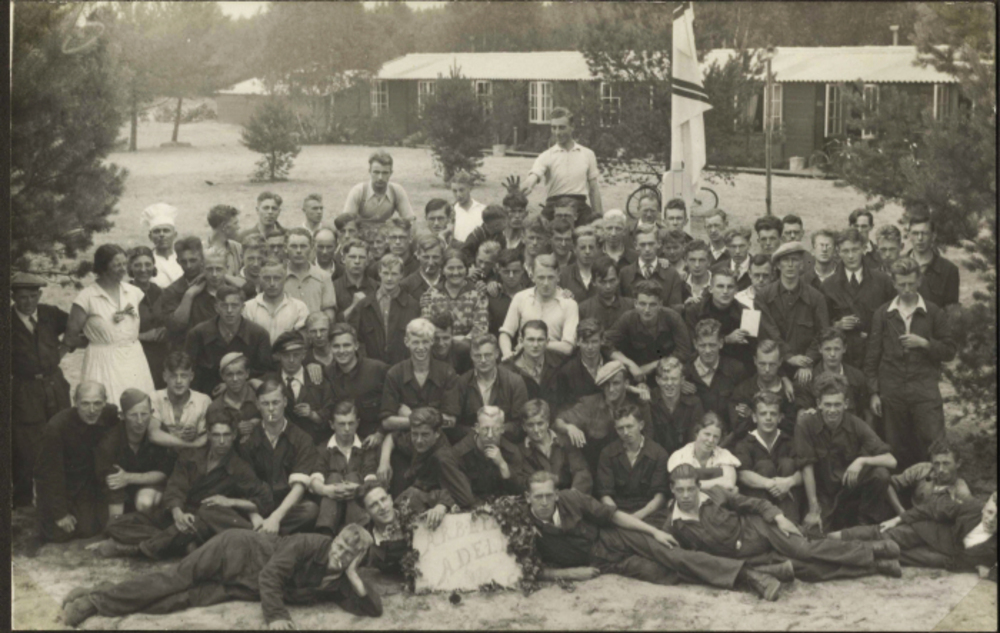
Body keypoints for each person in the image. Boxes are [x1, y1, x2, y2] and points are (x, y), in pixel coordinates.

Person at [61, 525, 381, 628]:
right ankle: (94, 602)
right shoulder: (309, 543)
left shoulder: (342, 579)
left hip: (241, 586)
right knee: (175, 580)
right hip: (233, 550)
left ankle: (101, 590)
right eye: (338, 545)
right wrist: (276, 617)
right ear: (334, 539)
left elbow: (373, 609)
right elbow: (271, 577)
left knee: (178, 601)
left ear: (356, 558)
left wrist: (353, 575)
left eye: (347, 554)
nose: (337, 554)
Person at [526, 471, 782, 600]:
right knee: (662, 574)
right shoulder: (521, 526)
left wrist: (654, 532)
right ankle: (763, 569)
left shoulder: (571, 498)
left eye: (549, 495)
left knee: (674, 556)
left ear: (556, 494)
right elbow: (525, 570)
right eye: (538, 497)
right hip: (603, 562)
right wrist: (569, 573)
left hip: (616, 536)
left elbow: (613, 516)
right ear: (528, 498)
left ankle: (752, 577)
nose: (545, 502)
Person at [664, 464, 902, 583]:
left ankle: (873, 549)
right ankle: (876, 566)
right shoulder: (674, 525)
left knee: (805, 550)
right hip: (748, 556)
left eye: (690, 489)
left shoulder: (715, 494)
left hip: (761, 529)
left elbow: (755, 504)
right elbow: (685, 558)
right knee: (806, 570)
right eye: (680, 490)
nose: (686, 495)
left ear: (698, 487)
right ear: (672, 490)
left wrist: (779, 517)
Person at [99, 407, 274, 560]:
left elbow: (265, 500)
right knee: (115, 524)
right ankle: (180, 543)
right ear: (208, 435)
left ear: (234, 435)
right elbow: (176, 487)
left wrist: (230, 502)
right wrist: (177, 512)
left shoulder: (239, 467)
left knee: (203, 516)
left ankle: (137, 549)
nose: (221, 441)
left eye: (226, 435)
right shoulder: (191, 456)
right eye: (216, 435)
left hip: (203, 521)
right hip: (180, 514)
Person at [864, 257, 956, 470]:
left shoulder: (933, 312)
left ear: (919, 281)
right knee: (896, 446)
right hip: (892, 389)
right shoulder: (883, 314)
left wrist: (925, 343)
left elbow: (950, 350)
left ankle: (936, 486)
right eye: (902, 284)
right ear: (894, 283)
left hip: (924, 388)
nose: (907, 289)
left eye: (911, 284)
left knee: (934, 442)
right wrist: (873, 392)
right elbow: (872, 356)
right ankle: (902, 490)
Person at [795, 372, 897, 536]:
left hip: (849, 490)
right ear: (819, 404)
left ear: (846, 404)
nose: (832, 410)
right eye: (828, 404)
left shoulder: (856, 424)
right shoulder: (806, 424)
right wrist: (813, 510)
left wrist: (862, 461)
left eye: (837, 404)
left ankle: (865, 522)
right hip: (823, 493)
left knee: (880, 474)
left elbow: (891, 461)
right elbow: (807, 468)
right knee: (814, 536)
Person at [10, 272, 74, 508]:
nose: (28, 302)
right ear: (13, 297)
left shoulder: (49, 313)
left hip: (55, 386)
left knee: (62, 435)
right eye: (22, 297)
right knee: (26, 446)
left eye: (32, 296)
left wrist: (65, 347)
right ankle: (23, 503)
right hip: (24, 390)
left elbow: (78, 325)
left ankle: (63, 498)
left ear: (39, 295)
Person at [66, 244, 155, 405]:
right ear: (103, 267)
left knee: (137, 405)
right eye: (117, 265)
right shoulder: (87, 297)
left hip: (134, 358)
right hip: (102, 361)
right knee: (107, 405)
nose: (123, 269)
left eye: (124, 264)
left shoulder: (133, 292)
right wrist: (97, 341)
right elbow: (71, 337)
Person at [830, 491, 996, 576]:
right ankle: (830, 538)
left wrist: (988, 571)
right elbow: (933, 508)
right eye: (990, 512)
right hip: (930, 532)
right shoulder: (972, 508)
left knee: (890, 553)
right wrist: (898, 519)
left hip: (945, 557)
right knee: (885, 533)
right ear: (984, 508)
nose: (991, 520)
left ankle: (836, 552)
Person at [35, 381, 118, 543]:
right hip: (65, 485)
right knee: (60, 532)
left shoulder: (110, 414)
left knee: (95, 527)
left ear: (105, 402)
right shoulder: (57, 427)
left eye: (97, 403)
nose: (92, 410)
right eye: (85, 404)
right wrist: (60, 513)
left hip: (91, 484)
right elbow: (48, 474)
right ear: (75, 402)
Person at [236, 378, 321, 534]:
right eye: (265, 404)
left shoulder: (302, 439)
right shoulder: (247, 442)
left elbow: (299, 486)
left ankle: (261, 534)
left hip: (287, 506)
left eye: (275, 403)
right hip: (258, 506)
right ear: (257, 405)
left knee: (310, 510)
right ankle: (267, 532)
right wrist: (254, 516)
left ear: (285, 402)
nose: (271, 409)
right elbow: (245, 486)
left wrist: (276, 518)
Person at [556, 360, 653, 475]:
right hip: (597, 471)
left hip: (630, 470)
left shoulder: (637, 404)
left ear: (626, 383)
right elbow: (558, 421)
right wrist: (569, 427)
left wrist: (643, 403)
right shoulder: (590, 404)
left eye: (616, 383)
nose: (611, 389)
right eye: (607, 384)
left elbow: (648, 438)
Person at [755, 241, 830, 386]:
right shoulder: (763, 296)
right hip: (774, 366)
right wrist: (788, 356)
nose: (790, 265)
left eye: (794, 260)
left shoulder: (816, 297)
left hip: (808, 367)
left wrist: (806, 362)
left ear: (801, 264)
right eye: (785, 260)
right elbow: (768, 332)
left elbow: (823, 333)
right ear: (778, 265)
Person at [95, 389, 176, 522]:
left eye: (144, 414)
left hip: (149, 489)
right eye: (133, 415)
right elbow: (113, 483)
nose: (140, 420)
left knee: (144, 501)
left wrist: (129, 478)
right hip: (119, 494)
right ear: (122, 415)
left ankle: (150, 526)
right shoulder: (110, 442)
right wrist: (115, 523)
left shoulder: (159, 432)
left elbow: (164, 473)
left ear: (151, 413)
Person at [821, 227, 896, 369]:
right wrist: (837, 325)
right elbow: (822, 324)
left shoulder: (882, 281)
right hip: (844, 358)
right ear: (838, 252)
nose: (850, 256)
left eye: (855, 250)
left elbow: (893, 321)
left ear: (863, 249)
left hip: (876, 356)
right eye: (845, 251)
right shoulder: (828, 285)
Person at [376, 407, 477, 509]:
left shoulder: (443, 459)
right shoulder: (420, 440)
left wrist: (437, 502)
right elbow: (392, 437)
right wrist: (384, 462)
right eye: (414, 434)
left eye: (425, 435)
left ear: (437, 433)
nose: (419, 440)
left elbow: (466, 498)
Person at [185, 285, 273, 397]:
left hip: (247, 396)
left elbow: (265, 373)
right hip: (207, 396)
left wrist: (231, 385)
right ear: (216, 307)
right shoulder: (198, 334)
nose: (229, 310)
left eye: (234, 305)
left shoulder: (259, 335)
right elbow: (189, 371)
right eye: (224, 305)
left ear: (242, 307)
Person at [156, 237, 241, 349]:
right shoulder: (172, 290)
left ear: (202, 260)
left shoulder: (218, 281)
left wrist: (223, 276)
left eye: (193, 260)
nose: (189, 266)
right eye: (184, 261)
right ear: (178, 261)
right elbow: (175, 326)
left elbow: (248, 288)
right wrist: (189, 295)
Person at [378, 318, 460, 433]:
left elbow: (450, 421)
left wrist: (412, 416)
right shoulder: (395, 374)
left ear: (432, 342)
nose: (421, 348)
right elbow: (387, 422)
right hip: (404, 438)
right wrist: (433, 420)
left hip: (437, 439)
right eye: (416, 342)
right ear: (407, 342)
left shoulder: (447, 373)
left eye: (425, 342)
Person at [731, 392, 803, 523]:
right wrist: (770, 484)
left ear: (780, 417)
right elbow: (742, 474)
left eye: (773, 414)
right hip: (760, 505)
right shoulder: (745, 443)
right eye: (763, 414)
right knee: (765, 466)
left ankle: (791, 523)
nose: (768, 418)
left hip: (787, 501)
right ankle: (763, 525)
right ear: (754, 417)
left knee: (788, 464)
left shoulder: (789, 441)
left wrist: (789, 482)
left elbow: (804, 471)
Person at [310, 401, 379, 536]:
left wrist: (358, 489)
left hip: (357, 506)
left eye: (351, 423)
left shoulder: (365, 447)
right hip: (330, 506)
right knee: (334, 477)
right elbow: (315, 479)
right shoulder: (323, 448)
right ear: (332, 425)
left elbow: (371, 479)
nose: (347, 429)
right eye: (342, 424)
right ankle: (326, 534)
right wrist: (326, 490)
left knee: (353, 477)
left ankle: (359, 534)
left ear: (357, 423)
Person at [596, 404, 671, 525]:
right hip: (617, 512)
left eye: (630, 426)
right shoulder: (607, 453)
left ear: (641, 425)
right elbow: (605, 495)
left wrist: (636, 517)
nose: (625, 432)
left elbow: (660, 497)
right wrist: (619, 517)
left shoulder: (659, 454)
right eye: (620, 428)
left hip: (649, 513)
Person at [606, 280, 693, 383]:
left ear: (660, 304)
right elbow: (606, 343)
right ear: (635, 303)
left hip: (668, 374)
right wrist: (630, 364)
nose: (647, 310)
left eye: (652, 304)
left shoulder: (673, 318)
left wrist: (653, 365)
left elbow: (684, 352)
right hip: (637, 376)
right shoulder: (628, 319)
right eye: (642, 304)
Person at [522, 106, 603, 215]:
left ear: (572, 127)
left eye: (561, 127)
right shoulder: (545, 156)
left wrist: (599, 218)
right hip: (554, 209)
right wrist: (528, 185)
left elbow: (593, 189)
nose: (557, 132)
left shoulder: (587, 154)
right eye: (553, 128)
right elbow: (534, 175)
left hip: (580, 209)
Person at [359, 482, 452, 575]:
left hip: (445, 564)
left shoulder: (411, 498)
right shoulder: (367, 544)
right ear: (366, 513)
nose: (382, 507)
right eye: (374, 505)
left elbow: (447, 494)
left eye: (383, 499)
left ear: (390, 499)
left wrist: (441, 506)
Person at [500, 254, 579, 359]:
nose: (546, 283)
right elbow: (505, 333)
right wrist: (507, 353)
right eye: (541, 277)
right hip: (523, 361)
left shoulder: (569, 304)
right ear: (532, 276)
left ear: (558, 276)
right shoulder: (520, 298)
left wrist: (530, 345)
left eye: (550, 277)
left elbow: (568, 347)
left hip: (555, 363)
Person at [349, 253, 421, 366]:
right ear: (379, 273)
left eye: (394, 274)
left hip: (403, 368)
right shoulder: (364, 306)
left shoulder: (413, 306)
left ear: (401, 275)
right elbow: (355, 339)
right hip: (371, 368)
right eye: (386, 273)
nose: (389, 278)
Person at [456, 334, 528, 442]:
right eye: (478, 356)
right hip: (471, 443)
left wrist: (494, 431)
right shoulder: (462, 383)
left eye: (488, 355)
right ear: (471, 356)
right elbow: (455, 424)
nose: (483, 360)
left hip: (505, 442)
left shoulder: (514, 382)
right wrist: (479, 433)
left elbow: (521, 423)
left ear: (497, 354)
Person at [323, 323, 389, 440]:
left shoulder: (378, 370)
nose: (341, 351)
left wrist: (380, 433)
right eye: (336, 346)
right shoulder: (328, 373)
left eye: (346, 345)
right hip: (343, 438)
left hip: (374, 437)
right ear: (330, 348)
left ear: (356, 345)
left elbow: (394, 406)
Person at [269, 330, 335, 446]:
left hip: (316, 444)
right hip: (282, 446)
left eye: (296, 355)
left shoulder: (318, 379)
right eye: (286, 355)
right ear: (279, 356)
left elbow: (331, 410)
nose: (291, 360)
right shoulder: (271, 381)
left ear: (303, 355)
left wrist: (313, 415)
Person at [682, 319, 749, 431]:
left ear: (721, 343)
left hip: (729, 434)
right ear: (695, 344)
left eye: (712, 345)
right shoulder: (685, 372)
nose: (707, 350)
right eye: (702, 345)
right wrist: (677, 386)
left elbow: (744, 408)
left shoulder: (736, 369)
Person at [451, 406, 528, 502]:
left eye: (495, 429)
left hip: (504, 504)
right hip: (472, 505)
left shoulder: (512, 452)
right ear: (477, 428)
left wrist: (502, 465)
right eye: (485, 429)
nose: (490, 435)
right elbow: (458, 492)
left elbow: (519, 491)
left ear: (502, 429)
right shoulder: (460, 452)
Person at [684, 268, 755, 370]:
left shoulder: (746, 313)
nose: (725, 291)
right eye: (720, 286)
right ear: (710, 289)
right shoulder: (694, 311)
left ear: (736, 290)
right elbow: (692, 347)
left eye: (730, 287)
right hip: (701, 365)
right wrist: (726, 340)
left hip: (733, 368)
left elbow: (750, 353)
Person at [518, 399, 592, 494]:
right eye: (530, 425)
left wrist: (572, 495)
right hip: (541, 498)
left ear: (547, 423)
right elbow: (524, 483)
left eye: (540, 423)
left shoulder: (565, 441)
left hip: (569, 496)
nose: (536, 430)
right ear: (524, 427)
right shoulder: (521, 451)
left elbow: (581, 472)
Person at [886, 438, 973, 517]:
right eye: (936, 463)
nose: (941, 469)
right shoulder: (922, 470)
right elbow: (887, 484)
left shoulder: (962, 491)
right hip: (908, 517)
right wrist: (901, 512)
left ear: (958, 464)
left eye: (946, 463)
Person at [342, 150, 414, 241]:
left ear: (391, 173)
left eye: (385, 173)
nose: (380, 177)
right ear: (370, 172)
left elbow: (410, 220)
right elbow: (346, 224)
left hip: (385, 239)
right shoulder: (358, 191)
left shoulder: (396, 191)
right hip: (360, 239)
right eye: (376, 172)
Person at [148, 351, 213, 450]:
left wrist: (196, 435)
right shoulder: (154, 397)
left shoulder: (204, 401)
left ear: (191, 376)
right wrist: (191, 445)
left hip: (193, 456)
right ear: (165, 377)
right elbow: (153, 434)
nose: (178, 381)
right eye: (173, 376)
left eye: (184, 376)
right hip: (162, 454)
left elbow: (207, 436)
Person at [421, 248, 488, 344]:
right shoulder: (432, 293)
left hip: (469, 347)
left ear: (466, 269)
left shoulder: (477, 293)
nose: (456, 273)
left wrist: (461, 341)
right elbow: (426, 324)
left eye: (460, 268)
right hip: (440, 344)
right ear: (442, 270)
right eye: (450, 268)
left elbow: (481, 327)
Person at [810, 328, 872, 424]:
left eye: (837, 349)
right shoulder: (811, 379)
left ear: (844, 349)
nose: (832, 354)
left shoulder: (857, 377)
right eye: (827, 349)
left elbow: (866, 412)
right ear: (820, 349)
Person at [667, 413, 741, 492]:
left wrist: (694, 485)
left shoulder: (724, 455)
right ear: (696, 433)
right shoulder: (680, 456)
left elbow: (729, 484)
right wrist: (720, 483)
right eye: (707, 434)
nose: (711, 440)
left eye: (716, 437)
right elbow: (680, 487)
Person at [901, 210, 959, 310]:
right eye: (915, 233)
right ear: (909, 235)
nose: (920, 238)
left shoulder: (949, 270)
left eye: (925, 233)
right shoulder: (897, 265)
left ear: (933, 236)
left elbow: (950, 311)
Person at [243, 259, 310, 344]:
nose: (272, 283)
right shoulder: (248, 308)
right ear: (260, 279)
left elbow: (301, 341)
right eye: (267, 278)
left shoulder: (299, 308)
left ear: (285, 279)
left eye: (277, 278)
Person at [648, 357, 704, 459]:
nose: (669, 383)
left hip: (685, 458)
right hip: (656, 459)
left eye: (674, 379)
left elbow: (695, 440)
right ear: (658, 380)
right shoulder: (650, 401)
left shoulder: (694, 403)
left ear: (682, 380)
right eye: (665, 379)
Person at [500, 319, 566, 404]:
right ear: (521, 341)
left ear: (547, 342)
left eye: (540, 340)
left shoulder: (559, 363)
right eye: (531, 340)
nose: (535, 345)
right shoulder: (506, 370)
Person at [552, 319, 608, 413]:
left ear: (602, 341)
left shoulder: (611, 364)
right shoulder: (567, 372)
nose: (590, 347)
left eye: (594, 342)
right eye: (585, 342)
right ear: (577, 342)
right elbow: (561, 408)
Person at [620, 226, 684, 308]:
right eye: (643, 244)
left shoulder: (671, 274)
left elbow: (675, 309)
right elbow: (621, 307)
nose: (647, 249)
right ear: (636, 245)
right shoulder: (625, 274)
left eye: (651, 244)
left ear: (659, 244)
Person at [207, 352, 262, 445]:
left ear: (247, 373)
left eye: (239, 373)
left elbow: (277, 420)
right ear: (222, 376)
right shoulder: (215, 408)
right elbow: (215, 442)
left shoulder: (259, 396)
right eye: (229, 374)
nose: (235, 379)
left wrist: (257, 424)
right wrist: (234, 431)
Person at [283, 227, 337, 320]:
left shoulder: (324, 277)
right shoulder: (278, 277)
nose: (299, 251)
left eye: (303, 246)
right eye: (294, 246)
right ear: (285, 248)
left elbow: (329, 311)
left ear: (311, 248)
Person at [577, 255, 635, 333]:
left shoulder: (630, 306)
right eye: (602, 282)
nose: (608, 286)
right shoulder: (583, 309)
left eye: (612, 281)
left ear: (618, 279)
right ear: (593, 282)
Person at [488, 248, 530, 336]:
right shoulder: (491, 296)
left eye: (515, 271)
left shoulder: (531, 296)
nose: (511, 276)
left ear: (522, 270)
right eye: (506, 272)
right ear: (499, 270)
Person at [333, 239, 377, 321]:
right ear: (343, 259)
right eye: (352, 257)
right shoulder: (333, 287)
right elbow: (332, 321)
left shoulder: (376, 287)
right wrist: (354, 305)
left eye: (362, 257)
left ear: (367, 261)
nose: (357, 261)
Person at [142, 203, 184, 288]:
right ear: (150, 237)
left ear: (175, 235)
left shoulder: (184, 258)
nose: (161, 235)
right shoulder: (147, 261)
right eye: (157, 231)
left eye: (166, 230)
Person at [558, 226, 600, 304]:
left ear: (597, 248)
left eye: (591, 247)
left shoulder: (603, 273)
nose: (587, 251)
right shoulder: (563, 275)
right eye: (583, 248)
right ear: (574, 249)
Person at [400, 233, 445, 302]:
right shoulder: (406, 285)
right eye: (426, 257)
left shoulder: (449, 280)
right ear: (417, 255)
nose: (430, 263)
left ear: (442, 257)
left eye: (435, 257)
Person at [428, 312, 473, 377]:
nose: (441, 343)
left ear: (452, 336)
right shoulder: (425, 352)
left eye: (445, 338)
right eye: (436, 338)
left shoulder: (464, 351)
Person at [205, 204, 243, 276]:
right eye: (235, 223)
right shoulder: (201, 251)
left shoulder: (238, 248)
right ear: (224, 226)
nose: (238, 227)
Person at [449, 170, 485, 241]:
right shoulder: (451, 211)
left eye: (461, 190)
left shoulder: (482, 209)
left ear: (470, 188)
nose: (458, 194)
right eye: (454, 191)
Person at [680, 240, 713, 305]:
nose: (697, 265)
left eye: (701, 260)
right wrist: (684, 307)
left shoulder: (718, 283)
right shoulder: (680, 284)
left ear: (709, 261)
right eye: (692, 260)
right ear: (686, 261)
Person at [724, 227, 753, 291]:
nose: (737, 251)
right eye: (733, 246)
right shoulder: (718, 268)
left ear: (749, 245)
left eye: (741, 246)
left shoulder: (759, 267)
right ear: (727, 247)